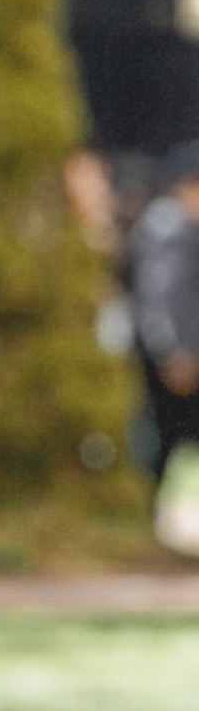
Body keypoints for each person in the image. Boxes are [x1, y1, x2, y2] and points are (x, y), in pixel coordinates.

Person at [131, 142, 199, 519]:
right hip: (175, 359)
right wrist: (174, 349)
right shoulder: (169, 227)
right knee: (164, 440)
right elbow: (160, 295)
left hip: (184, 353)